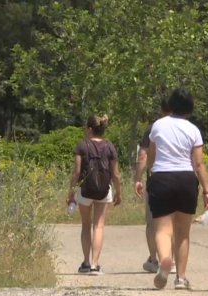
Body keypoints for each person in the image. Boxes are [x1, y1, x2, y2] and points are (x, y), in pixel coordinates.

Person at [142, 88, 208, 290]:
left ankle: (164, 259)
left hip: (162, 177)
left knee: (163, 229)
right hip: (186, 179)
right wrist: (207, 190)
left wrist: (152, 172)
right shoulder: (193, 130)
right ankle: (181, 278)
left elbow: (151, 155)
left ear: (170, 105)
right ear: (190, 107)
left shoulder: (158, 126)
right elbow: (198, 164)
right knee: (183, 232)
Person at [67, 115, 122, 275]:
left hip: (85, 190)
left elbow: (77, 172)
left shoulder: (82, 146)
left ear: (90, 129)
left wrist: (70, 193)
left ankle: (85, 262)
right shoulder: (110, 146)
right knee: (98, 226)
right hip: (104, 190)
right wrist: (119, 193)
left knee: (86, 225)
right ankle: (95, 265)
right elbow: (116, 174)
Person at [134, 98, 176, 274]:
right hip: (179, 178)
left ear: (161, 109)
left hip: (157, 178)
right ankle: (171, 261)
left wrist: (137, 178)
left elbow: (143, 156)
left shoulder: (153, 128)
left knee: (153, 222)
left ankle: (154, 259)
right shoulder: (185, 127)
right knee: (173, 222)